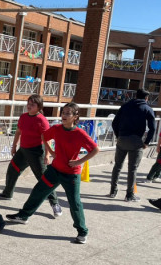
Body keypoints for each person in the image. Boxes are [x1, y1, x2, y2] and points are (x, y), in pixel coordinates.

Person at [6, 103, 99, 244]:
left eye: (68, 113)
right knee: (38, 191)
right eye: (63, 112)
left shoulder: (79, 133)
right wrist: (51, 152)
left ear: (75, 117)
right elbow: (44, 136)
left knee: (74, 203)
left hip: (71, 174)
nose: (64, 115)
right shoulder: (56, 129)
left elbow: (95, 149)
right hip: (54, 170)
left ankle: (82, 231)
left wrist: (79, 162)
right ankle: (23, 216)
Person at [0, 94, 61, 217]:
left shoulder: (42, 120)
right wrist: (14, 146)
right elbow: (18, 132)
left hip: (37, 152)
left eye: (32, 104)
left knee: (44, 179)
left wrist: (47, 155)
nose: (29, 106)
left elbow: (48, 139)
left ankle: (55, 203)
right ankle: (7, 193)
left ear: (39, 107)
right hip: (23, 150)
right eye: (28, 104)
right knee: (12, 169)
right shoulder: (23, 117)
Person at [109, 88, 156, 201]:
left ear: (135, 96)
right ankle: (129, 195)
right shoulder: (147, 108)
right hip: (136, 141)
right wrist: (147, 142)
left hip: (122, 139)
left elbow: (114, 123)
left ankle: (113, 191)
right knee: (132, 169)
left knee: (117, 166)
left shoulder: (125, 106)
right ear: (146, 98)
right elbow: (153, 128)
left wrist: (118, 136)